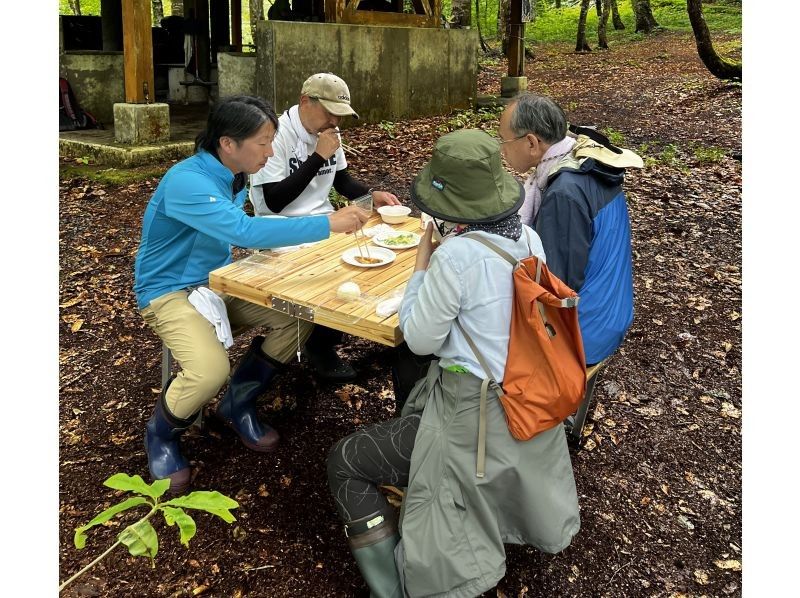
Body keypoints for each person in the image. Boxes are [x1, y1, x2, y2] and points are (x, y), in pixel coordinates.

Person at [326, 129, 580, 597]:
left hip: (475, 414)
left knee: (345, 461)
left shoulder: (457, 257)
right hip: (525, 395)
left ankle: (392, 587)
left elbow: (420, 341)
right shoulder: (528, 238)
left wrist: (423, 263)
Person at [133, 95, 369, 494]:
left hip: (219, 283)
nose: (271, 151)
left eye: (273, 140)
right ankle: (161, 434)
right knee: (209, 370)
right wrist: (328, 223)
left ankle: (238, 403)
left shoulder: (234, 175)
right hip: (169, 292)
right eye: (263, 142)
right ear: (228, 143)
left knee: (297, 316)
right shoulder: (187, 181)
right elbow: (243, 232)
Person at [249, 72, 401, 382]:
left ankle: (325, 341)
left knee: (368, 255)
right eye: (330, 112)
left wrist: (371, 195)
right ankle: (317, 348)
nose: (335, 120)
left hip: (325, 219)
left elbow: (341, 179)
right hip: (281, 228)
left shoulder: (329, 132)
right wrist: (318, 155)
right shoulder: (276, 136)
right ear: (305, 101)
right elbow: (274, 200)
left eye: (340, 115)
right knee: (329, 271)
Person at [498, 92, 636, 366]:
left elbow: (554, 285)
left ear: (532, 142)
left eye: (504, 141)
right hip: (613, 312)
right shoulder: (585, 160)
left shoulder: (564, 193)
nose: (502, 149)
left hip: (586, 330)